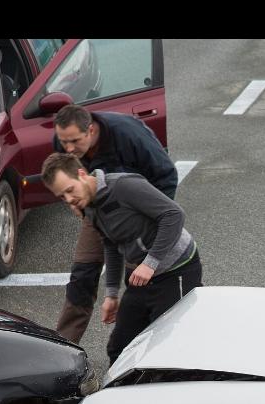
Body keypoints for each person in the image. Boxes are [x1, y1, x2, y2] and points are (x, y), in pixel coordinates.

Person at [40, 151, 203, 367]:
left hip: (177, 268)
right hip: (143, 277)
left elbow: (174, 215)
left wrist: (149, 263)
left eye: (70, 190)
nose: (69, 199)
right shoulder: (89, 206)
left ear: (81, 174)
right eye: (62, 196)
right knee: (119, 347)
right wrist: (112, 294)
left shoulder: (124, 186)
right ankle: (121, 396)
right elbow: (111, 243)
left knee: (169, 344)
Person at [49, 104, 179, 346]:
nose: (68, 148)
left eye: (74, 141)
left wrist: (150, 224)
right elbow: (64, 174)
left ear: (90, 130)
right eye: (63, 141)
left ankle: (155, 347)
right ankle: (63, 348)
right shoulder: (65, 141)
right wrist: (78, 205)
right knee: (82, 276)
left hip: (138, 211)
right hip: (97, 210)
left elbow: (167, 176)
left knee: (141, 282)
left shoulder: (128, 135)